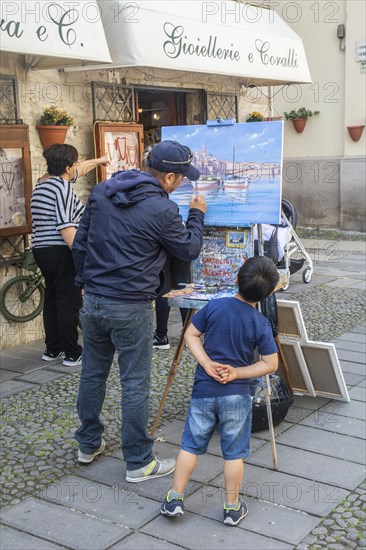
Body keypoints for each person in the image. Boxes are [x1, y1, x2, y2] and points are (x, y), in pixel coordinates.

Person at [72, 140, 207, 482]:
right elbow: (189, 249)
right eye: (181, 178)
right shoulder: (162, 210)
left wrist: (83, 281)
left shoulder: (103, 191)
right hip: (130, 304)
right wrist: (197, 214)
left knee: (92, 373)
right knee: (134, 383)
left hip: (94, 300)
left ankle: (87, 444)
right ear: (169, 178)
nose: (182, 183)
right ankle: (138, 462)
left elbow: (81, 241)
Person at [160, 256, 279, 526]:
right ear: (269, 293)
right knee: (234, 452)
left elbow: (190, 335)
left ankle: (175, 498)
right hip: (236, 394)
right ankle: (232, 507)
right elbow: (270, 364)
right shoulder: (260, 323)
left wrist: (206, 363)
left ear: (235, 279)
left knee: (190, 445)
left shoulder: (214, 306)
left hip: (204, 389)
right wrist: (238, 372)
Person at [30, 144, 110, 366]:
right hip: (60, 250)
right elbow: (67, 229)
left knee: (53, 299)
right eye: (74, 164)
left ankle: (52, 349)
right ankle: (72, 352)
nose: (76, 167)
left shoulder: (43, 184)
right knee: (70, 301)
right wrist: (84, 257)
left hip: (41, 250)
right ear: (67, 167)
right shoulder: (62, 189)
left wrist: (100, 160)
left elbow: (81, 169)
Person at [153, 257, 192, 349]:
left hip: (163, 247)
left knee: (163, 282)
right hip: (183, 245)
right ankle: (189, 335)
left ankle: (161, 336)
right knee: (182, 282)